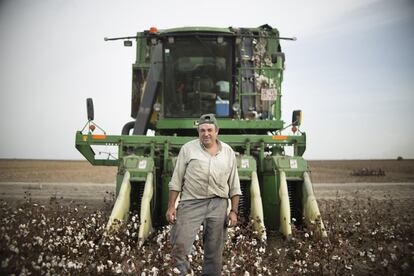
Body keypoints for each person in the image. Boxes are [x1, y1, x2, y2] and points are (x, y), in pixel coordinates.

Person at [166, 113, 242, 275]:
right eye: (202, 130)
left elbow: (234, 185)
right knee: (180, 246)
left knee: (214, 251)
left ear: (217, 131)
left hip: (218, 204)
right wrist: (171, 206)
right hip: (191, 202)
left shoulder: (228, 152)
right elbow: (176, 180)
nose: (206, 134)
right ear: (198, 132)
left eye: (209, 130)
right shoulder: (188, 149)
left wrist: (234, 211)